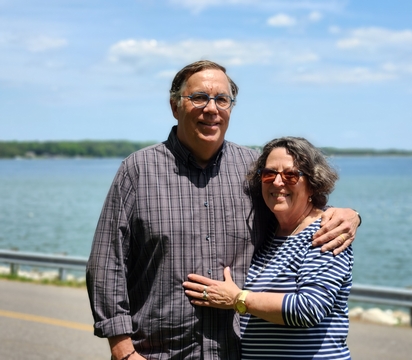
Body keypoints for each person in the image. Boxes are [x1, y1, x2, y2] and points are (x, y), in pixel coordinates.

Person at [86, 60, 361, 360]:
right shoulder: (138, 170)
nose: (211, 109)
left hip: (235, 353)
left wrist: (349, 216)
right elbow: (107, 263)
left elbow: (293, 204)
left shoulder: (253, 168)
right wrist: (123, 350)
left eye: (222, 99)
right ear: (175, 106)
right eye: (199, 97)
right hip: (158, 353)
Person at [183, 136, 353, 359]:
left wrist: (238, 299)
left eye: (291, 175)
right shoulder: (270, 234)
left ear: (313, 184)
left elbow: (308, 309)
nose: (277, 182)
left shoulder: (326, 233)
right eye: (269, 174)